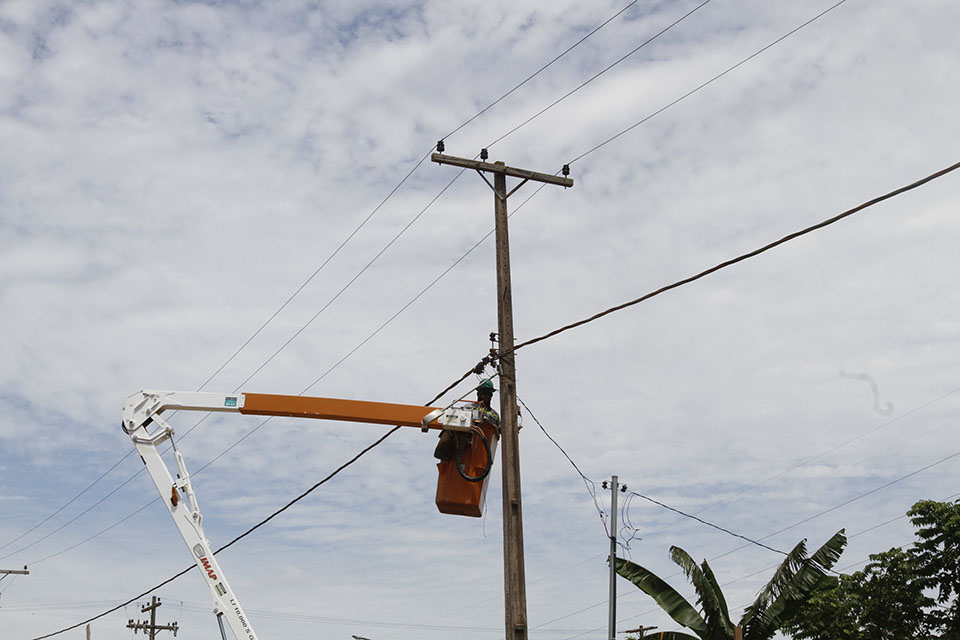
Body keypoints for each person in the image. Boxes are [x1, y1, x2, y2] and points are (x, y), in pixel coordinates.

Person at [433, 379, 498, 461]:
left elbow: (499, 430)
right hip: (466, 443)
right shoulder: (469, 407)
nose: (486, 396)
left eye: (489, 394)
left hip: (483, 449)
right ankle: (443, 450)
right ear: (479, 394)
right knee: (450, 426)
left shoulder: (495, 415)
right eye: (484, 393)